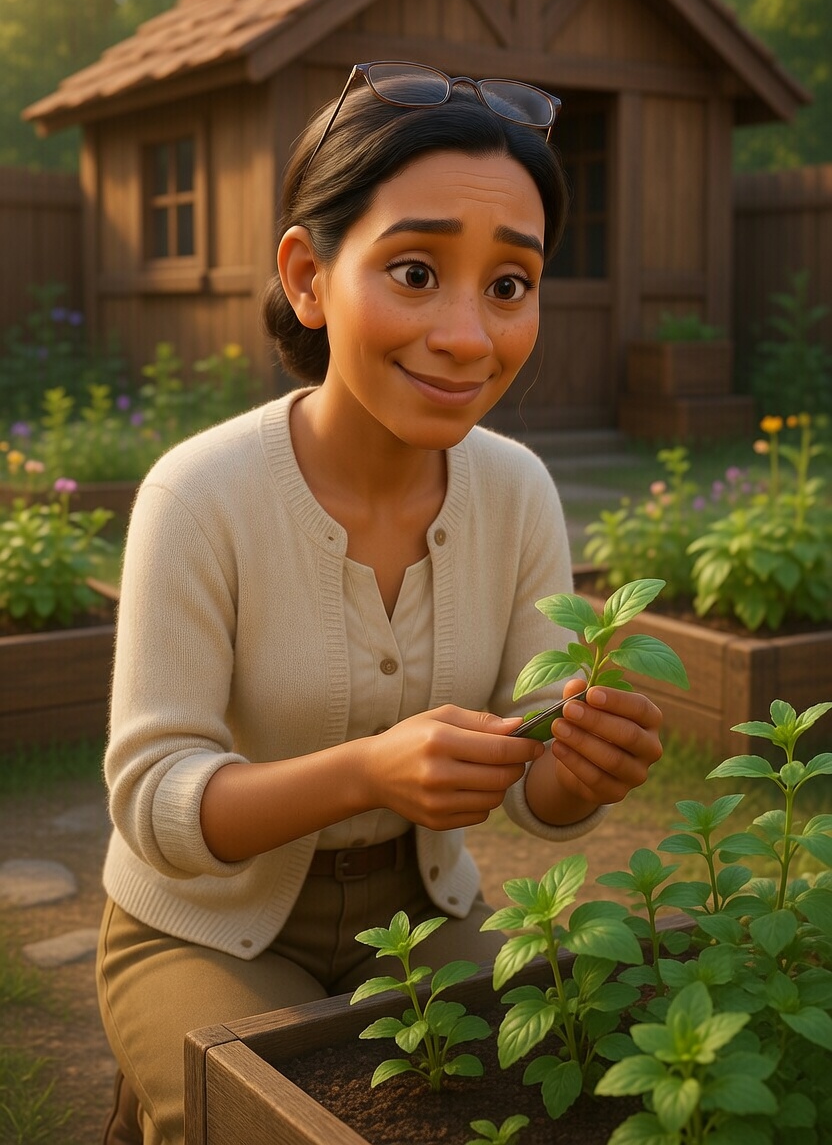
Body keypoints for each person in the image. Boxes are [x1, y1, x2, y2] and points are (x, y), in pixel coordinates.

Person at [96, 61, 663, 1145]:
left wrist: (575, 772)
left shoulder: (517, 492)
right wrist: (366, 769)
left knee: (575, 1080)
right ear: (308, 276)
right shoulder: (198, 494)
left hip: (421, 913)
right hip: (202, 929)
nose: (466, 334)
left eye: (508, 285)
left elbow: (535, 790)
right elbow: (154, 803)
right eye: (413, 271)